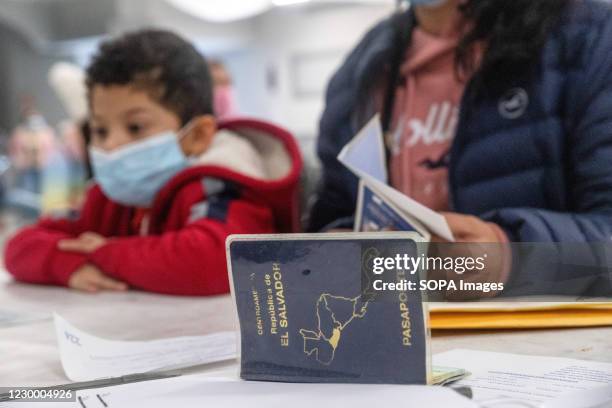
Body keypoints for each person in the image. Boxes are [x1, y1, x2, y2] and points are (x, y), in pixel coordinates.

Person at [309, 0, 612, 295]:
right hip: (401, 333)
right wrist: (340, 244)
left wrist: (508, 256)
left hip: (543, 339)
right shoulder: (360, 73)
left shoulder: (588, 37)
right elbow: (335, 210)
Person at [5, 29, 302, 296]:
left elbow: (215, 261)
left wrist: (107, 253)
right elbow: (19, 247)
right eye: (100, 130)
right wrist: (68, 265)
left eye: (135, 128)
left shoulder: (222, 186)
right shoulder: (108, 197)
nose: (110, 145)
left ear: (197, 135)